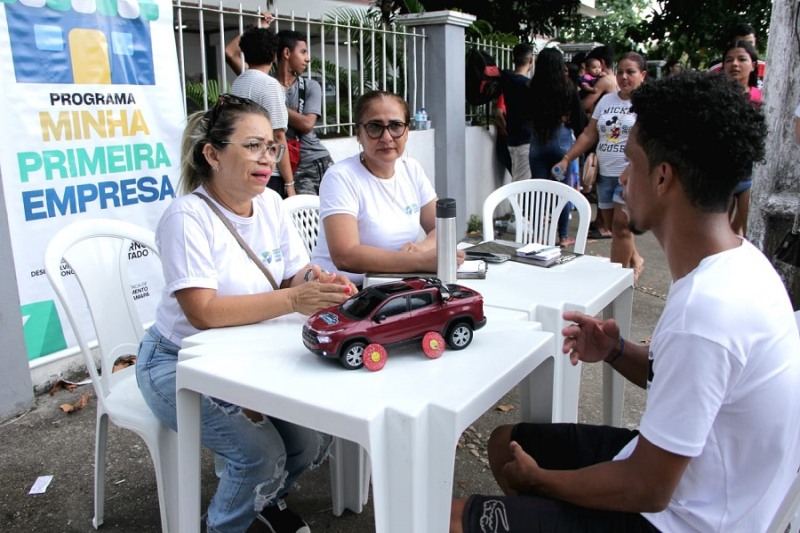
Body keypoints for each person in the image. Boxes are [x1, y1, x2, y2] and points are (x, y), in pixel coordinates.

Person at [451, 71, 800, 533]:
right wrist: (615, 351)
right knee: (504, 442)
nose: (623, 177)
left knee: (447, 517)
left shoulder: (708, 310)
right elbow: (691, 382)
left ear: (661, 177)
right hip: (694, 478)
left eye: (631, 163)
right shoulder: (740, 263)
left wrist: (545, 483)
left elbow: (648, 489)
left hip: (682, 518)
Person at [136, 94, 356, 533]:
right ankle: (223, 525)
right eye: (253, 146)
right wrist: (295, 301)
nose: (267, 159)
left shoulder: (271, 204)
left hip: (248, 355)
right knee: (260, 454)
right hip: (179, 364)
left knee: (314, 440)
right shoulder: (187, 218)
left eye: (272, 147)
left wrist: (316, 282)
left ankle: (264, 501)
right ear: (212, 154)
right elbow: (203, 312)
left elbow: (293, 274)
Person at [311, 90, 463, 287]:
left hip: (396, 283)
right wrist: (419, 261)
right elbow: (345, 255)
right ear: (359, 134)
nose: (386, 137)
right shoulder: (341, 177)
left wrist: (421, 248)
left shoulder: (411, 170)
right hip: (344, 290)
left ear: (407, 132)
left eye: (396, 126)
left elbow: (440, 228)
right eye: (375, 127)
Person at [555, 52, 647, 280]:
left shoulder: (647, 103)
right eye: (621, 72)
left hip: (631, 175)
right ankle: (635, 258)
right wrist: (567, 158)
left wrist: (634, 167)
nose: (624, 77)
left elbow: (653, 141)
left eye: (631, 72)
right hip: (604, 173)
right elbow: (590, 133)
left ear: (643, 75)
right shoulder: (607, 101)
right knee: (612, 227)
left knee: (621, 227)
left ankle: (616, 281)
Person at [525, 48, 587, 247]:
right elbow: (580, 122)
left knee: (538, 191)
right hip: (561, 147)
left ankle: (537, 237)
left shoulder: (531, 87)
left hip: (537, 145)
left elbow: (526, 115)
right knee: (561, 191)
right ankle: (562, 236)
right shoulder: (568, 88)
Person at [228, 26, 296, 198]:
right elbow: (279, 136)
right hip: (267, 173)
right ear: (275, 55)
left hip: (244, 167)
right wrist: (289, 183)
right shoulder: (270, 85)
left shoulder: (239, 82)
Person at [272, 30, 335, 195]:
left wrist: (274, 107)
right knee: (306, 219)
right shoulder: (267, 86)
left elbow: (307, 124)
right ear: (286, 53)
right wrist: (260, 25)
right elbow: (231, 53)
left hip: (320, 159)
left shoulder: (310, 86)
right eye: (303, 52)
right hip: (296, 168)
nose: (308, 58)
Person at [722, 39, 762, 236]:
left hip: (751, 176)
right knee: (717, 237)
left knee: (750, 235)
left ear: (753, 65)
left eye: (741, 59)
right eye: (729, 60)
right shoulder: (714, 97)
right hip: (721, 177)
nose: (734, 64)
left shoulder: (762, 98)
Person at [499, 43, 534, 182]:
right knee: (522, 184)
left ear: (513, 60)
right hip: (525, 138)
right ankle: (518, 205)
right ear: (531, 61)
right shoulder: (528, 85)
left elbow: (498, 111)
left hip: (512, 137)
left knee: (519, 177)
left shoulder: (507, 82)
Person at [708, 22, 766, 88]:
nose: (735, 64)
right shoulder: (716, 70)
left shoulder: (767, 69)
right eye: (741, 44)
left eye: (750, 43)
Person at [582, 45, 618, 115]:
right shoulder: (615, 78)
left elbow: (584, 105)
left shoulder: (604, 81)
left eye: (591, 66)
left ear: (601, 62)